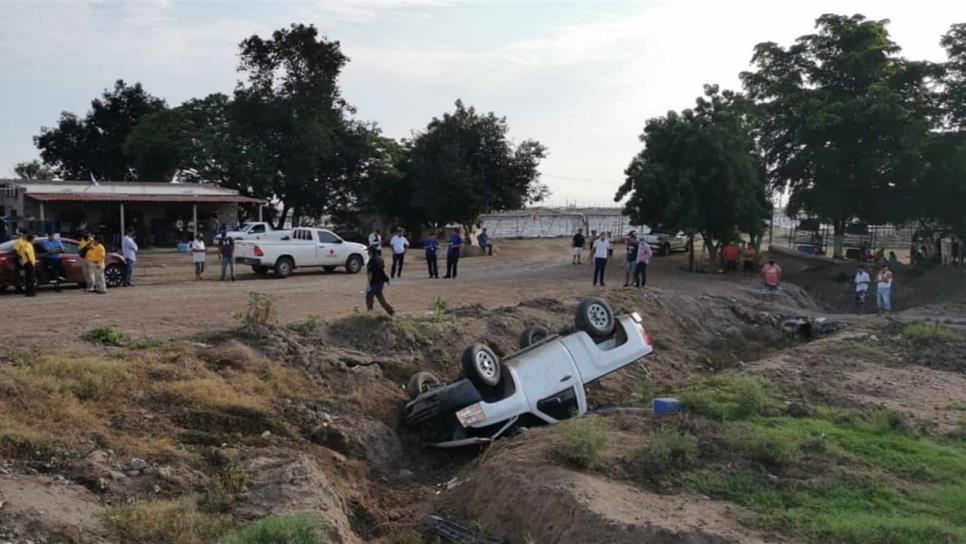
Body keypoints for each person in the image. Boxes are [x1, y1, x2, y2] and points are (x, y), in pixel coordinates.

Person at [365, 246, 395, 315]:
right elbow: (383, 270)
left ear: (371, 252)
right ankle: (390, 310)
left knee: (369, 297)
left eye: (368, 251)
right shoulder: (380, 259)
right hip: (381, 282)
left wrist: (369, 284)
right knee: (380, 296)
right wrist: (386, 278)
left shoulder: (371, 261)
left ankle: (370, 312)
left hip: (374, 282)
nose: (367, 252)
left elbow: (370, 274)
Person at [17, 233, 37, 297]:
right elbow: (26, 252)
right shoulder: (28, 245)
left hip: (29, 262)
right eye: (33, 239)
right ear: (31, 239)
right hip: (29, 263)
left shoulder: (28, 244)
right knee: (31, 278)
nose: (34, 240)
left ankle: (29, 292)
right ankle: (30, 292)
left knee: (29, 278)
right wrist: (29, 260)